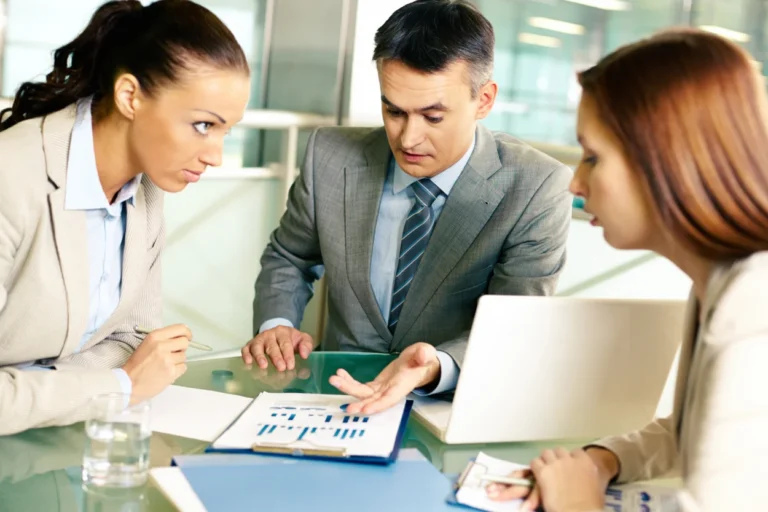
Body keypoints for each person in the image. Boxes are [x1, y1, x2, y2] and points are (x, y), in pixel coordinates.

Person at [241, 0, 572, 413]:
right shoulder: (328, 156)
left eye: (433, 117)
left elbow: (516, 325)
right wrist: (278, 325)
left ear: (484, 100)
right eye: (393, 111)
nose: (408, 139)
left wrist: (437, 366)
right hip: (336, 397)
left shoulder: (536, 186)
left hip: (453, 406)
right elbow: (289, 256)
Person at [487, 29, 768, 512]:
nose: (576, 181)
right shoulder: (721, 285)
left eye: (593, 157)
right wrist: (598, 463)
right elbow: (690, 435)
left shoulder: (754, 314)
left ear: (670, 161)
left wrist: (578, 506)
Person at [0, 0, 250, 435]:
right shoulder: (12, 177)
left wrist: (55, 386)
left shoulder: (147, 189)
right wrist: (119, 385)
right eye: (204, 125)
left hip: (58, 438)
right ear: (130, 96)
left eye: (226, 130)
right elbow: (130, 370)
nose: (215, 156)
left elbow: (132, 340)